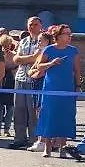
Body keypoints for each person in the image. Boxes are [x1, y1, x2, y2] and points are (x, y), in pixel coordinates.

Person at [31, 24, 81, 159]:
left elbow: (77, 70)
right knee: (49, 114)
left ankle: (63, 147)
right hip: (51, 87)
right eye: (66, 33)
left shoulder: (73, 51)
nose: (69, 36)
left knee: (65, 115)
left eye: (70, 33)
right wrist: (51, 63)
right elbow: (39, 66)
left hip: (67, 87)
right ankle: (47, 147)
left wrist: (77, 86)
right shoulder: (49, 49)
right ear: (58, 36)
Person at [9, 16, 47, 149]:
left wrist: (26, 59)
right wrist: (30, 58)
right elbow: (16, 59)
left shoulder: (43, 42)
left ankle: (34, 138)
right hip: (20, 78)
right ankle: (19, 138)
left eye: (35, 24)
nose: (32, 26)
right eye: (30, 24)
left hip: (34, 80)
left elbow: (39, 59)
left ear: (41, 26)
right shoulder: (24, 40)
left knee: (32, 111)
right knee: (18, 110)